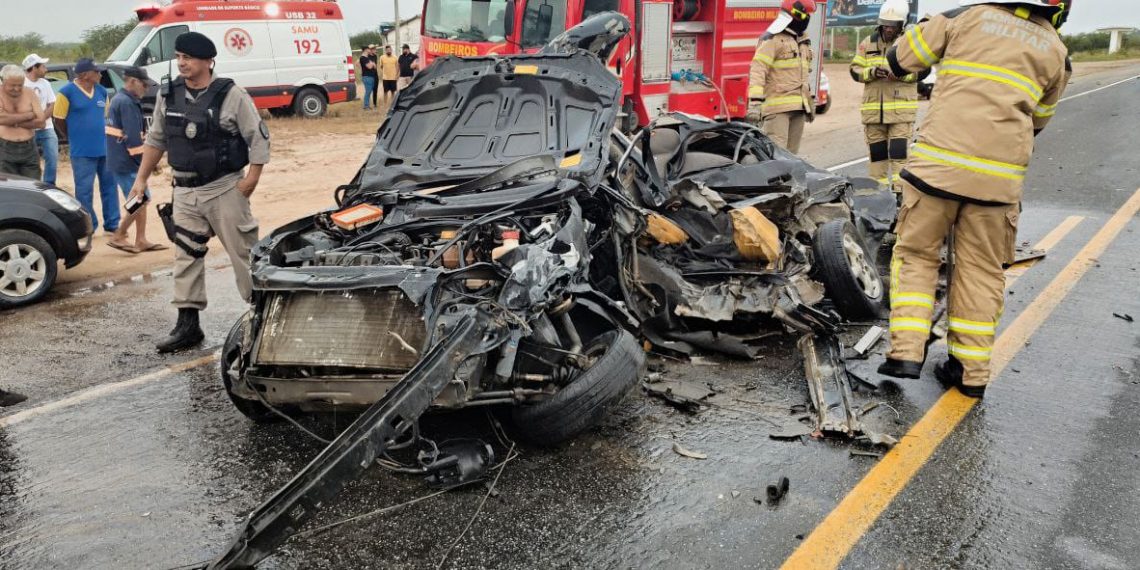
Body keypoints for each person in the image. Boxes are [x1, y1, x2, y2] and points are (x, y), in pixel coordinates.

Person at [876, 0, 1071, 398]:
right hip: (997, 185)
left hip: (935, 171)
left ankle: (906, 354)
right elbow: (1039, 120)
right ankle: (971, 373)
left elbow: (900, 60)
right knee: (982, 271)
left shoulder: (965, 16)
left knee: (916, 255)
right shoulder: (1057, 51)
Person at [129, 32, 270, 353]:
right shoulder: (169, 94)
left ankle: (264, 318)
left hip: (224, 189)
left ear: (208, 61)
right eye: (179, 57)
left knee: (244, 254)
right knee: (185, 256)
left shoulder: (231, 94)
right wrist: (141, 179)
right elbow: (156, 139)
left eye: (188, 58)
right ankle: (188, 325)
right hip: (185, 191)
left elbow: (258, 138)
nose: (182, 63)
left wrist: (252, 179)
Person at [850, 0, 926, 193]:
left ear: (901, 24)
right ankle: (877, 197)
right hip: (873, 112)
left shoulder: (909, 42)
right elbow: (855, 70)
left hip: (900, 112)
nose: (888, 28)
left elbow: (923, 71)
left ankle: (901, 197)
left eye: (892, 25)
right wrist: (872, 73)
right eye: (885, 24)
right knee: (877, 156)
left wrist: (901, 74)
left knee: (899, 155)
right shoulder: (868, 43)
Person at [55, 58, 119, 233]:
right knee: (84, 191)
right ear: (84, 75)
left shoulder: (101, 91)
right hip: (81, 151)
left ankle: (113, 223)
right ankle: (89, 224)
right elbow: (58, 119)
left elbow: (105, 117)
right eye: (96, 71)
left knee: (110, 187)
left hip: (104, 148)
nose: (99, 74)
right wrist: (71, 136)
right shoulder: (66, 93)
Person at [106, 66, 166, 254]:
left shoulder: (121, 99)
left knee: (140, 199)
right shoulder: (127, 103)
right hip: (127, 161)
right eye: (144, 84)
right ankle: (119, 234)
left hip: (120, 158)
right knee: (140, 199)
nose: (146, 89)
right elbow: (133, 140)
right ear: (132, 81)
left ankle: (140, 239)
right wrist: (148, 163)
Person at [747, 0, 817, 154]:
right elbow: (758, 70)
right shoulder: (772, 39)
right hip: (777, 109)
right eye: (807, 15)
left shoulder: (803, 41)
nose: (808, 20)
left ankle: (789, 179)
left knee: (792, 157)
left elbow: (803, 75)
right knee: (776, 156)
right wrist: (755, 102)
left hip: (799, 107)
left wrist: (809, 101)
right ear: (796, 15)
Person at [0, 64, 44, 179]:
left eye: (20, 85)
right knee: (8, 188)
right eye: (13, 85)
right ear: (3, 81)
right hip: (4, 148)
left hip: (29, 148)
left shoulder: (30, 93)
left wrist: (12, 121)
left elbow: (41, 122)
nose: (17, 89)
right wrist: (28, 115)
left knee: (33, 186)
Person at [23, 54, 58, 184]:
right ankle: (33, 186)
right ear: (34, 68)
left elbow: (52, 104)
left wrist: (41, 119)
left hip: (46, 127)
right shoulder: (20, 84)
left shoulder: (45, 83)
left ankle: (49, 186)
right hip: (27, 129)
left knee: (52, 158)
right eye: (43, 66)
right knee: (31, 161)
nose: (46, 69)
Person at [359, 45, 378, 110]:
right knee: (368, 91)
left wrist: (372, 63)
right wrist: (372, 63)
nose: (370, 50)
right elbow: (369, 67)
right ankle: (366, 106)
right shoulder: (363, 58)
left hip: (371, 76)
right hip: (367, 77)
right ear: (366, 50)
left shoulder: (367, 58)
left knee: (369, 92)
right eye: (369, 49)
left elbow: (375, 66)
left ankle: (367, 105)